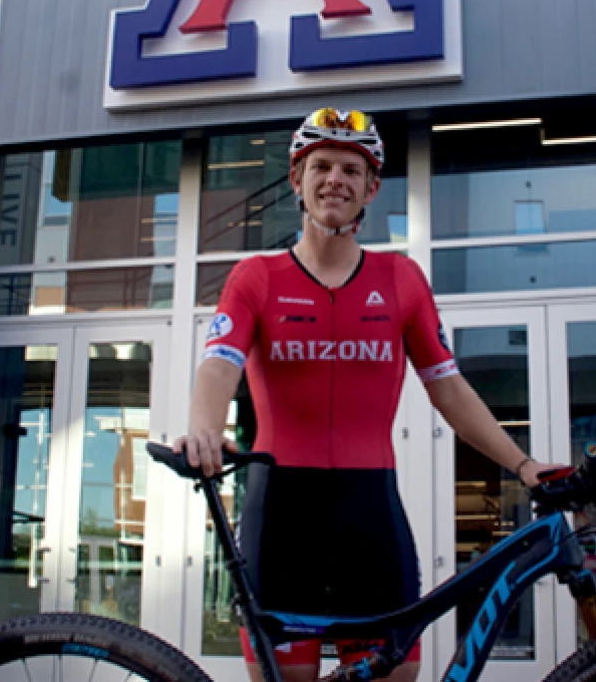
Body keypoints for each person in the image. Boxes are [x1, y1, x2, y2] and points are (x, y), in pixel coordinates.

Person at [175, 108, 563, 682]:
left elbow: (450, 390)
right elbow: (218, 365)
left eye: (352, 170)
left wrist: (523, 464)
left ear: (372, 188)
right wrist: (205, 426)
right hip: (281, 514)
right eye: (322, 166)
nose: (337, 179)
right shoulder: (256, 277)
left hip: (369, 512)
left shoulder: (401, 280)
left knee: (393, 678)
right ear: (297, 181)